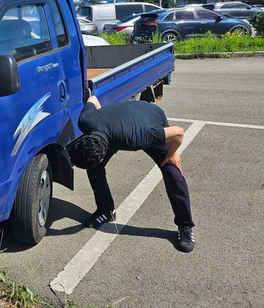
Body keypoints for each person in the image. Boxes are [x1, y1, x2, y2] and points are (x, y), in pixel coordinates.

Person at [70, 95, 195, 253]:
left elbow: (178, 132)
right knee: (93, 167)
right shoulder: (85, 120)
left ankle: (185, 226)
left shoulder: (136, 138)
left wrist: (172, 153)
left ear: (102, 155)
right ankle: (105, 210)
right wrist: (107, 121)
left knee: (172, 172)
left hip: (151, 117)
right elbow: (93, 98)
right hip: (118, 123)